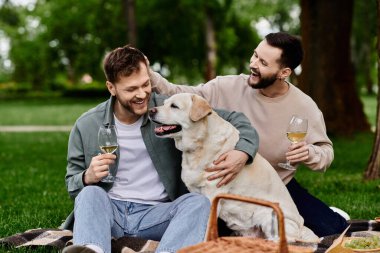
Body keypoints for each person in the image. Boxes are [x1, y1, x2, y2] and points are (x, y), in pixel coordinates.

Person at [60, 45, 259, 253]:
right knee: (90, 193)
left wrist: (243, 151)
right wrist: (87, 176)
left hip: (158, 215)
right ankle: (92, 249)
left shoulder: (170, 108)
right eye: (130, 89)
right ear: (111, 88)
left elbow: (236, 119)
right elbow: (73, 185)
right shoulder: (87, 124)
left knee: (199, 203)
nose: (141, 94)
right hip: (110, 212)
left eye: (145, 84)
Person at [149, 32, 349, 237]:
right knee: (220, 236)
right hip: (230, 188)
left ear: (284, 72)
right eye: (255, 55)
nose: (253, 63)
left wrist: (310, 153)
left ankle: (330, 214)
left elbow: (326, 151)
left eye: (263, 62)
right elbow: (179, 94)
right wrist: (148, 73)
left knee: (333, 230)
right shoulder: (227, 87)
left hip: (278, 186)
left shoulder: (304, 106)